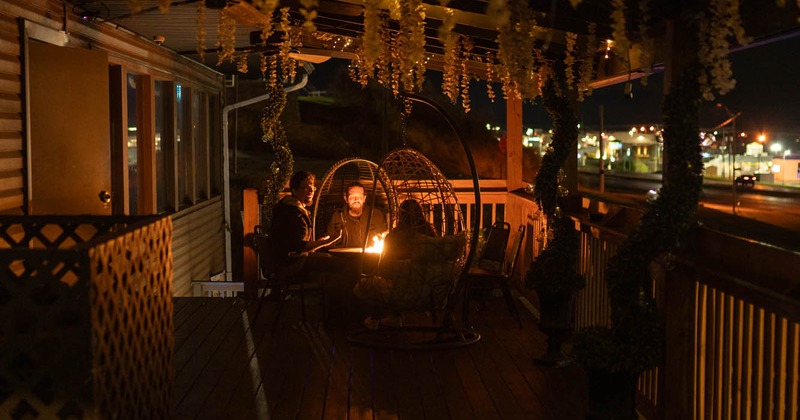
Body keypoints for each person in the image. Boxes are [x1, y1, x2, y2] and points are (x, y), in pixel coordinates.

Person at [269, 170, 340, 277]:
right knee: (339, 264)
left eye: (312, 187)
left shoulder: (288, 207)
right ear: (295, 191)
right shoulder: (294, 213)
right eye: (306, 188)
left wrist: (317, 243)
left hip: (284, 261)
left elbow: (295, 243)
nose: (311, 191)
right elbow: (300, 247)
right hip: (291, 264)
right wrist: (328, 241)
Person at [325, 182, 388, 249]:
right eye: (352, 196)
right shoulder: (337, 217)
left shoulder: (376, 215)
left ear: (364, 198)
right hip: (342, 257)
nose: (356, 200)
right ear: (346, 198)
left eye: (359, 196)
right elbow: (329, 244)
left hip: (369, 257)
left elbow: (384, 239)